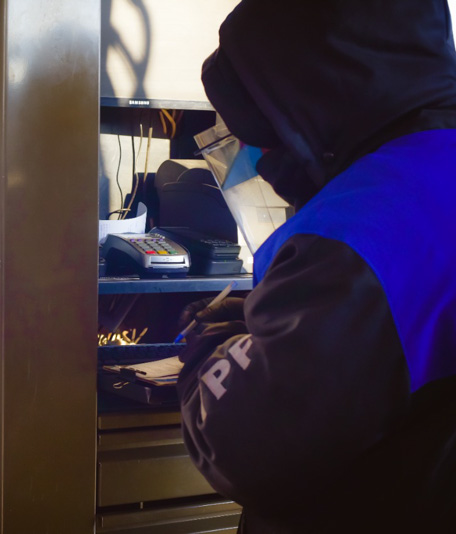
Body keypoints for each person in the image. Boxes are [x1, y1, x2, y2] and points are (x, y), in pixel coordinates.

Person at [176, 1, 456, 532]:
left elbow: (245, 447)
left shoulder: (363, 228)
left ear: (305, 104)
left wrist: (211, 343)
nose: (258, 158)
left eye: (259, 132)